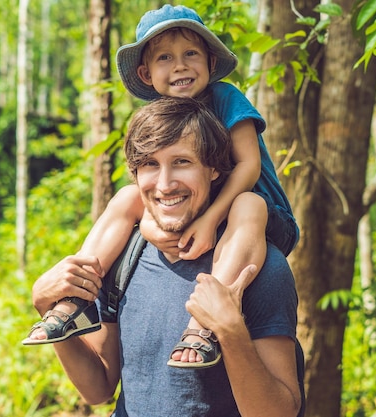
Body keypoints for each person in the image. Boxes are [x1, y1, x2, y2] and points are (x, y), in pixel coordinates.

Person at [23, 4, 299, 369]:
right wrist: (150, 227)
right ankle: (76, 297)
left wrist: (210, 217)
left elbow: (248, 166)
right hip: (196, 206)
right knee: (125, 196)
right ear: (146, 73)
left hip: (255, 210)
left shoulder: (225, 97)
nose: (180, 65)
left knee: (250, 204)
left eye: (191, 54)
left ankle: (204, 322)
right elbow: (148, 188)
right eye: (165, 58)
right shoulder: (158, 117)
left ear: (210, 63)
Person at [30, 96, 301, 416]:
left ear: (214, 169)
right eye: (149, 164)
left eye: (182, 162)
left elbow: (281, 412)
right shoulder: (122, 259)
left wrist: (230, 332)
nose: (165, 183)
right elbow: (98, 388)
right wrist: (46, 304)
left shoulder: (258, 268)